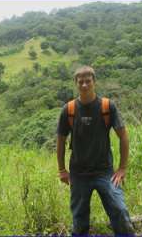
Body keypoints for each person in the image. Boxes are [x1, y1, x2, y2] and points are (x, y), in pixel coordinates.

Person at [56, 66, 135, 236]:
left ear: (94, 82)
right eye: (80, 81)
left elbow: (124, 136)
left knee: (119, 210)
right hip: (78, 173)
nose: (84, 85)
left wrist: (122, 168)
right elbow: (60, 140)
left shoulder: (107, 106)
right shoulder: (68, 110)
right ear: (75, 84)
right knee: (79, 219)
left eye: (88, 81)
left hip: (104, 171)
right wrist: (62, 169)